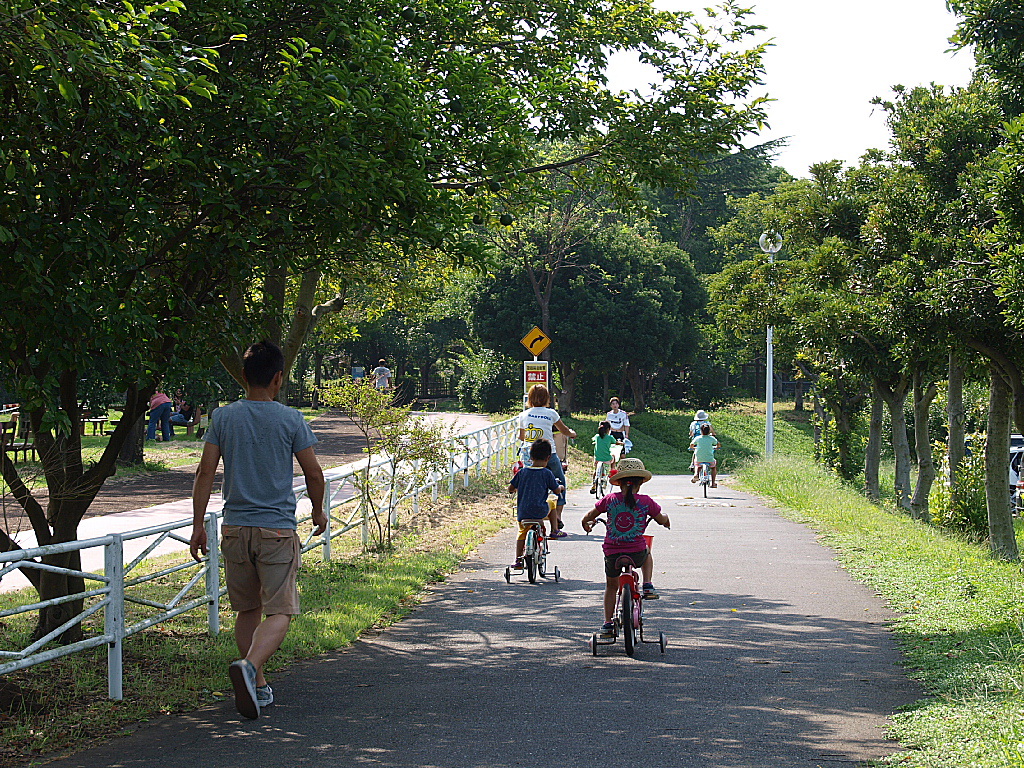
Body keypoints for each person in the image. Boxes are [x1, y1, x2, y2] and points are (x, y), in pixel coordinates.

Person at [189, 340, 327, 721]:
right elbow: (314, 474)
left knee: (247, 608)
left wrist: (198, 525)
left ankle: (259, 686)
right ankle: (250, 668)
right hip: (276, 532)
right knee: (281, 611)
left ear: (243, 376)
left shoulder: (223, 418)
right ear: (278, 378)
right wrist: (318, 511)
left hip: (235, 529)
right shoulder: (290, 419)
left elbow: (205, 472)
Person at [581, 458, 670, 637]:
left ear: (619, 482)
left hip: (612, 553)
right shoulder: (646, 501)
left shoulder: (609, 499)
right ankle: (647, 585)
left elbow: (590, 515)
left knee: (611, 586)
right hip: (636, 552)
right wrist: (666, 520)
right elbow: (661, 518)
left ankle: (607, 624)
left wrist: (585, 522)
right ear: (641, 483)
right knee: (647, 551)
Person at [518, 384, 576, 537]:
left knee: (528, 481)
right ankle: (558, 517)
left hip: (529, 455)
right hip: (548, 454)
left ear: (530, 398)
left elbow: (521, 437)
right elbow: (564, 430)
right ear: (547, 398)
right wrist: (572, 433)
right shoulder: (551, 413)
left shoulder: (523, 415)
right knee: (560, 481)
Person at [508, 439, 564, 568]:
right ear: (548, 457)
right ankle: (554, 530)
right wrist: (561, 488)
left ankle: (518, 560)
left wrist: (516, 489)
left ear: (531, 456)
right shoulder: (547, 473)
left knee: (522, 533)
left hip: (523, 512)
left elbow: (510, 489)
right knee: (552, 502)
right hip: (540, 511)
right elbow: (556, 490)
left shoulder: (522, 472)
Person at [590, 420, 620, 494]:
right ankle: (612, 470)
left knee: (596, 471)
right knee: (613, 456)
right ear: (608, 429)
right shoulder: (610, 437)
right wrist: (621, 443)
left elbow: (593, 439)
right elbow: (616, 442)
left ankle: (594, 484)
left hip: (597, 459)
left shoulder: (597, 437)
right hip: (607, 459)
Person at [690, 422, 721, 487]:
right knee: (713, 467)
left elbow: (691, 445)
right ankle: (713, 483)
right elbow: (718, 444)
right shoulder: (712, 438)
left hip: (699, 458)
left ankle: (696, 474)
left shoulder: (698, 438)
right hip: (709, 459)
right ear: (709, 431)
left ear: (701, 431)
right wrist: (717, 447)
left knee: (697, 464)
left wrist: (693, 448)